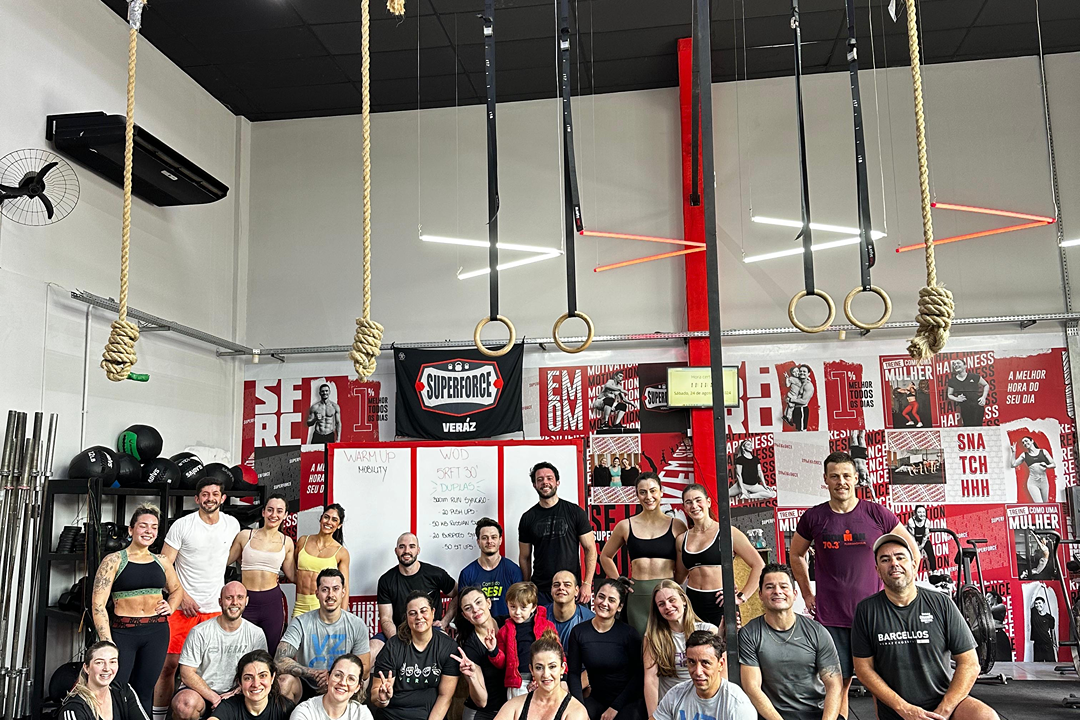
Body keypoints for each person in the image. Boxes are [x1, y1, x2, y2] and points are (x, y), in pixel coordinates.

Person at [789, 452, 918, 720]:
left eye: (847, 476)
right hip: (833, 617)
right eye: (835, 476)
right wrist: (807, 594)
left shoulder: (876, 513)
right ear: (825, 479)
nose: (841, 482)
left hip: (877, 615)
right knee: (839, 683)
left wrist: (904, 591)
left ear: (856, 478)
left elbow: (910, 548)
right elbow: (796, 554)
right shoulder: (814, 517)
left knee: (883, 683)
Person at [852, 535, 998, 720]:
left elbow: (970, 663)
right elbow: (863, 669)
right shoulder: (866, 610)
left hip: (943, 705)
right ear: (878, 571)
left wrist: (942, 712)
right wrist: (904, 709)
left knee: (986, 717)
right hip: (898, 711)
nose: (894, 563)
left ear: (914, 565)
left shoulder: (942, 604)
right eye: (885, 560)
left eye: (900, 557)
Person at [156, 478, 241, 720]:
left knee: (211, 669)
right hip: (183, 609)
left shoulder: (232, 525)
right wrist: (181, 596)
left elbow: (234, 558)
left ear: (223, 498)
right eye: (204, 494)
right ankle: (159, 717)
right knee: (169, 666)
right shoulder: (183, 525)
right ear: (197, 499)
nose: (209, 498)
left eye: (215, 493)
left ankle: (210, 713)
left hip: (215, 609)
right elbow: (164, 566)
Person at [91, 504, 184, 715]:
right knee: (116, 689)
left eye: (154, 527)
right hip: (123, 633)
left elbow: (177, 589)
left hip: (156, 633)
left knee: (145, 690)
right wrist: (107, 641)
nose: (148, 531)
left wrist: (171, 606)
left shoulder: (162, 561)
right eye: (143, 526)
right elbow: (98, 605)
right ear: (131, 529)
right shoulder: (113, 560)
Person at [739, 564, 842, 720]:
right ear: (760, 594)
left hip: (816, 713)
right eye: (769, 587)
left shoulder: (816, 631)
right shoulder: (749, 634)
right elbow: (752, 687)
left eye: (783, 586)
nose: (777, 591)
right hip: (773, 715)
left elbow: (834, 684)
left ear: (794, 594)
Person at [599, 473, 687, 635]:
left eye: (653, 491)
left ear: (661, 492)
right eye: (643, 492)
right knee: (639, 643)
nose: (648, 497)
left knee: (670, 641)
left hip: (667, 595)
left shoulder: (677, 525)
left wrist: (674, 585)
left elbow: (684, 566)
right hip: (637, 597)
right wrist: (619, 582)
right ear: (637, 495)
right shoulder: (625, 525)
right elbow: (605, 556)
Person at [172, 582, 268, 720]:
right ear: (220, 601)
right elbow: (186, 673)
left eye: (240, 597)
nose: (235, 602)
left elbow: (261, 671)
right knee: (184, 704)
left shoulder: (256, 634)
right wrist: (214, 698)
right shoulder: (200, 632)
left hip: (240, 692)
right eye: (229, 598)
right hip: (202, 693)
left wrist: (237, 692)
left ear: (246, 601)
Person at [674, 483, 764, 626]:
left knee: (725, 641)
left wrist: (741, 597)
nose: (694, 506)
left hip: (721, 603)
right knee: (695, 641)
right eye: (689, 502)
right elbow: (679, 577)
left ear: (708, 502)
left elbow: (759, 565)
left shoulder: (728, 532)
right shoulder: (681, 539)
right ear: (684, 507)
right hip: (693, 603)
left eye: (698, 500)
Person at [276, 568, 370, 703]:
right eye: (325, 590)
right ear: (317, 593)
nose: (330, 595)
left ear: (343, 592)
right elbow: (279, 660)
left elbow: (365, 669)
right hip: (308, 685)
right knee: (284, 682)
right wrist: (313, 673)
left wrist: (333, 678)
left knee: (360, 681)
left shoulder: (356, 624)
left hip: (341, 685)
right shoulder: (301, 622)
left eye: (335, 589)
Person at [370, 592, 465, 720]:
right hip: (392, 715)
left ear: (433, 612)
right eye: (412, 613)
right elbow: (375, 694)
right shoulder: (393, 647)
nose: (419, 617)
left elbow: (445, 697)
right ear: (407, 617)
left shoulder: (448, 647)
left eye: (423, 611)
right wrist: (383, 699)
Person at [518, 462, 596, 606]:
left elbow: (590, 548)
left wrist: (587, 583)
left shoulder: (575, 512)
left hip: (571, 588)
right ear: (534, 485)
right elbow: (524, 557)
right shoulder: (527, 518)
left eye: (549, 478)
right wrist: (527, 587)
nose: (545, 482)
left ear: (557, 482)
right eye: (540, 479)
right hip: (541, 591)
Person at [567, 578, 644, 720]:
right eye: (601, 597)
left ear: (619, 606)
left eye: (611, 600)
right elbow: (573, 673)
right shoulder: (579, 632)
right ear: (594, 598)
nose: (604, 603)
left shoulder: (629, 634)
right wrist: (579, 707)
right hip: (597, 699)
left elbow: (638, 675)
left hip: (627, 702)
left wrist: (615, 707)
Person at [227, 494, 295, 652]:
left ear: (285, 515)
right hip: (245, 601)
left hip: (272, 603)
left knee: (270, 652)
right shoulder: (245, 536)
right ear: (263, 512)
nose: (274, 515)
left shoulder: (287, 542)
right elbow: (222, 562)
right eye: (270, 510)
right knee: (240, 651)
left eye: (279, 511)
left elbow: (293, 575)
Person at [642, 580, 716, 717]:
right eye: (661, 604)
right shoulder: (653, 637)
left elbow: (720, 673)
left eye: (672, 600)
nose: (668, 606)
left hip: (702, 705)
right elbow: (651, 680)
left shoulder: (708, 631)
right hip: (671, 706)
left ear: (683, 600)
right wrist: (653, 716)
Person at [652, 631, 755, 720]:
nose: (698, 671)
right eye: (692, 662)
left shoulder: (737, 705)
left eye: (705, 663)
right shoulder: (676, 694)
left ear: (721, 664)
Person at [376, 532, 457, 645]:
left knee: (447, 647)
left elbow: (458, 594)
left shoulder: (436, 574)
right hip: (399, 632)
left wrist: (444, 622)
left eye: (412, 546)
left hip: (430, 629)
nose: (406, 551)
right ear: (396, 551)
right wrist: (397, 644)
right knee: (373, 647)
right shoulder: (386, 580)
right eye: (402, 547)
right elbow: (386, 619)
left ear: (418, 550)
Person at [490, 630, 589, 720]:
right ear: (531, 670)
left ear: (562, 668)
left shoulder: (576, 711)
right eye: (539, 667)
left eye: (552, 666)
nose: (546, 674)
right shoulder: (514, 706)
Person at [491, 582, 556, 698]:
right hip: (517, 684)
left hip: (544, 679)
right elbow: (501, 663)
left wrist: (544, 678)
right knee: (518, 709)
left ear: (533, 607)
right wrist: (493, 650)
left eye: (523, 607)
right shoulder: (504, 631)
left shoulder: (546, 626)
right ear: (507, 605)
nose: (517, 612)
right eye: (513, 607)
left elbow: (558, 654)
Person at [60, 640, 149, 720]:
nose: (107, 668)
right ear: (86, 668)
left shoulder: (124, 691)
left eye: (112, 662)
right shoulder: (73, 709)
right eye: (99, 662)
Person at [458, 586, 509, 720]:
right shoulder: (470, 648)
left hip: (512, 709)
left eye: (478, 602)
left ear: (489, 603)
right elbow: (481, 702)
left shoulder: (509, 622)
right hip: (484, 714)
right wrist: (473, 677)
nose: (475, 609)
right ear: (465, 616)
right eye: (468, 608)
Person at [294, 504, 351, 618]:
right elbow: (294, 571)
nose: (329, 522)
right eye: (326, 517)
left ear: (339, 525)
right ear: (321, 518)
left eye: (334, 520)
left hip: (324, 607)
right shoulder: (303, 541)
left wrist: (342, 617)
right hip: (300, 605)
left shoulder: (341, 552)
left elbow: (344, 587)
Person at [458, 518, 523, 618]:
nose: (489, 541)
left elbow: (521, 604)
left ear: (500, 540)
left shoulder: (513, 570)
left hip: (507, 625)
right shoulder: (467, 574)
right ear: (478, 542)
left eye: (494, 537)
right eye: (484, 538)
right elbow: (463, 609)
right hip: (478, 626)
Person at [208, 650, 295, 720]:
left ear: (272, 678)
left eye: (262, 676)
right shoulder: (228, 707)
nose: (256, 684)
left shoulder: (285, 708)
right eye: (248, 678)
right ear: (240, 682)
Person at [291, 654, 374, 720]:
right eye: (338, 675)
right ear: (328, 678)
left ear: (357, 687)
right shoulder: (305, 711)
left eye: (351, 679)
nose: (343, 682)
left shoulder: (362, 714)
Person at [544, 571, 595, 647]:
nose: (561, 588)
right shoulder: (539, 614)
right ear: (551, 590)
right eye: (556, 585)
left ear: (576, 591)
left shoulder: (589, 620)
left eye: (567, 585)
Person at [1011, 437, 1056, 503]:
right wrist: (1013, 452)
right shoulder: (1024, 455)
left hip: (1044, 481)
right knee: (1039, 503)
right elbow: (1013, 464)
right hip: (1033, 482)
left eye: (1026, 441)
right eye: (1023, 443)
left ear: (1032, 441)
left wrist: (1047, 466)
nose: (1025, 443)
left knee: (1046, 503)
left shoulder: (1043, 452)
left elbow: (1053, 464)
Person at [946, 360, 990, 427]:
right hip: (965, 407)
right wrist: (956, 399)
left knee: (978, 427)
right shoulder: (952, 381)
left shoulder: (974, 376)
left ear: (965, 366)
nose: (956, 365)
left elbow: (986, 385)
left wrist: (983, 397)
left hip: (977, 406)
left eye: (958, 363)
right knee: (968, 427)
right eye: (954, 364)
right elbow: (949, 394)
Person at [906, 505, 937, 573]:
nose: (922, 514)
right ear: (915, 513)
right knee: (912, 553)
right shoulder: (911, 522)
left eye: (923, 512)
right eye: (919, 512)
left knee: (930, 551)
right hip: (914, 538)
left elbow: (926, 536)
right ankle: (911, 571)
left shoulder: (927, 521)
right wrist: (916, 547)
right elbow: (912, 537)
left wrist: (922, 545)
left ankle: (934, 571)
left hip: (923, 538)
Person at [848, 430, 877, 501]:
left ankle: (855, 426)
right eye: (862, 483)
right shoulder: (866, 477)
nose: (861, 482)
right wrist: (875, 498)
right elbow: (871, 487)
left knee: (854, 437)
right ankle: (863, 427)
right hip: (862, 456)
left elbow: (850, 488)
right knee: (861, 437)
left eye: (860, 483)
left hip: (854, 456)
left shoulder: (855, 476)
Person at [1030, 596, 1056, 661]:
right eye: (1036, 603)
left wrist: (1054, 642)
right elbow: (1030, 603)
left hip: (1047, 643)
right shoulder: (1034, 614)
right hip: (1038, 644)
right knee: (1038, 664)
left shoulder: (1050, 618)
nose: (1038, 605)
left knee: (1051, 663)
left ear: (1044, 604)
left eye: (1039, 603)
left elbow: (1052, 630)